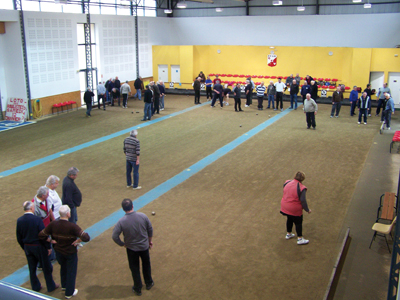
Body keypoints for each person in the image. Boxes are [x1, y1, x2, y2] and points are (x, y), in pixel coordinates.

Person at [39, 205, 90, 299]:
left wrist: (50, 240)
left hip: (58, 251)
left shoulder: (53, 224)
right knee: (71, 271)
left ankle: (64, 286)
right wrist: (78, 241)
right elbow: (86, 237)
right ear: (68, 214)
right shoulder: (72, 226)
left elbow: (41, 235)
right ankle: (69, 292)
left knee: (63, 267)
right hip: (70, 252)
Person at [112, 199, 154, 296]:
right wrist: (149, 241)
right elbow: (150, 229)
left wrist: (122, 244)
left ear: (123, 209)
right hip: (144, 247)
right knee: (146, 265)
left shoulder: (121, 221)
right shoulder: (143, 216)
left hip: (131, 249)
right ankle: (149, 283)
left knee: (134, 268)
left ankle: (137, 287)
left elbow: (114, 236)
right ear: (132, 206)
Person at [17, 201, 59, 293]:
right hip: (39, 246)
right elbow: (43, 235)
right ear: (32, 208)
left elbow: (19, 237)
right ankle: (50, 286)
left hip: (28, 247)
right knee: (46, 267)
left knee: (32, 269)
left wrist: (24, 248)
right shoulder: (37, 219)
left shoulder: (19, 220)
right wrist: (48, 247)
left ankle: (35, 286)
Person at [280, 171, 312, 245]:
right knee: (298, 223)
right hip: (294, 209)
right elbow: (303, 201)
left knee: (289, 219)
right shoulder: (302, 188)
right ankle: (300, 238)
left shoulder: (287, 182)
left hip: (285, 206)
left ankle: (288, 234)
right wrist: (307, 210)